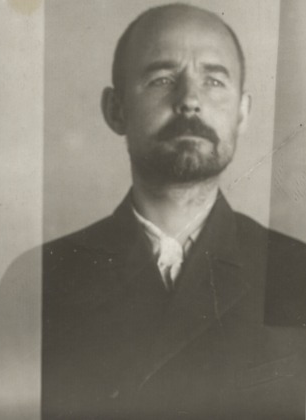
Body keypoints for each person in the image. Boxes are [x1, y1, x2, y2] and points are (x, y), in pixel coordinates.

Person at [37, 4, 306, 419]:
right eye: (162, 79)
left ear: (242, 113)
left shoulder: (295, 272)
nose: (190, 101)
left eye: (214, 81)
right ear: (116, 109)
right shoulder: (43, 277)